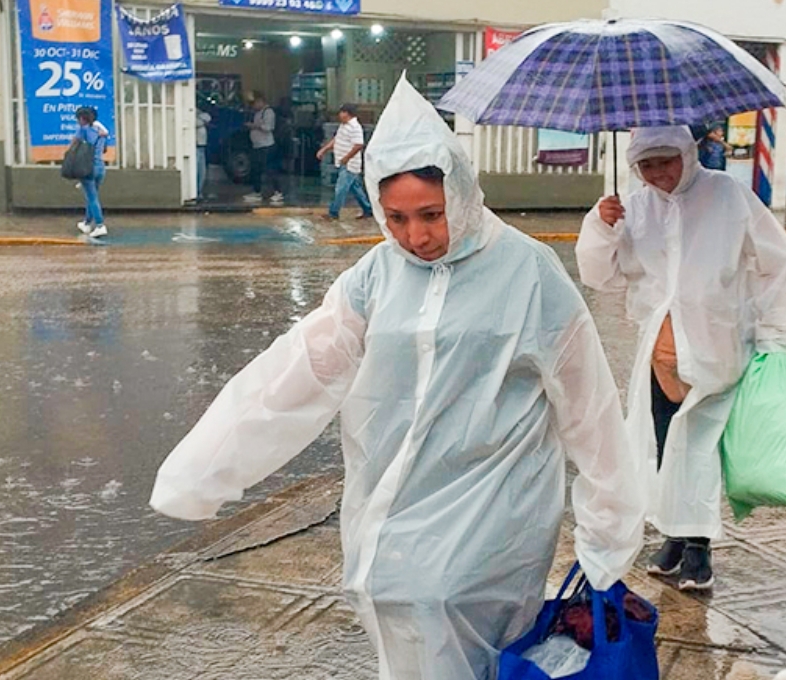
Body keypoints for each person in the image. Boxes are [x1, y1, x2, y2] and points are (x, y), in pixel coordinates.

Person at [150, 78, 643, 679]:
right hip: (391, 508)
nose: (417, 236)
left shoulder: (529, 271)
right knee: (399, 624)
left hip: (494, 507)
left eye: (431, 214)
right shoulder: (376, 276)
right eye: (398, 218)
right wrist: (206, 470)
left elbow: (587, 405)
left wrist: (608, 526)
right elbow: (297, 373)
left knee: (457, 624)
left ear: (460, 193)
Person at [576, 126, 786, 592]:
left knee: (700, 449)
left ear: (687, 152)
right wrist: (601, 226)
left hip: (717, 346)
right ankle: (673, 538)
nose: (658, 173)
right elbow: (601, 276)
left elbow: (777, 262)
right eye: (647, 164)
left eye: (667, 160)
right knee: (665, 447)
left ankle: (698, 545)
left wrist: (776, 334)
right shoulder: (635, 207)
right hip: (659, 356)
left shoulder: (728, 195)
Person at [318, 103, 373, 221]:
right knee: (356, 188)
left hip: (350, 164)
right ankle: (368, 209)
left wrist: (347, 158)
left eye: (342, 112)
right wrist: (324, 149)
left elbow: (359, 145)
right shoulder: (343, 126)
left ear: (347, 113)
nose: (340, 115)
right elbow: (337, 139)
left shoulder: (355, 127)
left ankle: (333, 213)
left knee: (341, 188)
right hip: (343, 162)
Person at [72, 107, 109, 239]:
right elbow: (104, 150)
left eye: (78, 119)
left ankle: (100, 226)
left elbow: (74, 144)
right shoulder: (101, 131)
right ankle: (87, 223)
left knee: (92, 198)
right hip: (100, 168)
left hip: (87, 168)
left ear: (82, 119)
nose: (78, 122)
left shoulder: (83, 129)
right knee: (92, 196)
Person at [244, 93, 283, 206]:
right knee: (256, 169)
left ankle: (278, 192)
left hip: (266, 146)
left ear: (261, 101)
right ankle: (257, 192)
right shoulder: (257, 113)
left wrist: (254, 126)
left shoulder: (268, 112)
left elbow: (269, 127)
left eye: (254, 103)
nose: (253, 106)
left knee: (270, 170)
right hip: (257, 145)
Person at [195, 107, 212, 200]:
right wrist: (202, 121)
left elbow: (208, 117)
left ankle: (199, 191)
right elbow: (194, 122)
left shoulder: (196, 110)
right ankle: (196, 192)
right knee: (196, 171)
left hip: (202, 145)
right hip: (195, 146)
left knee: (202, 171)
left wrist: (201, 119)